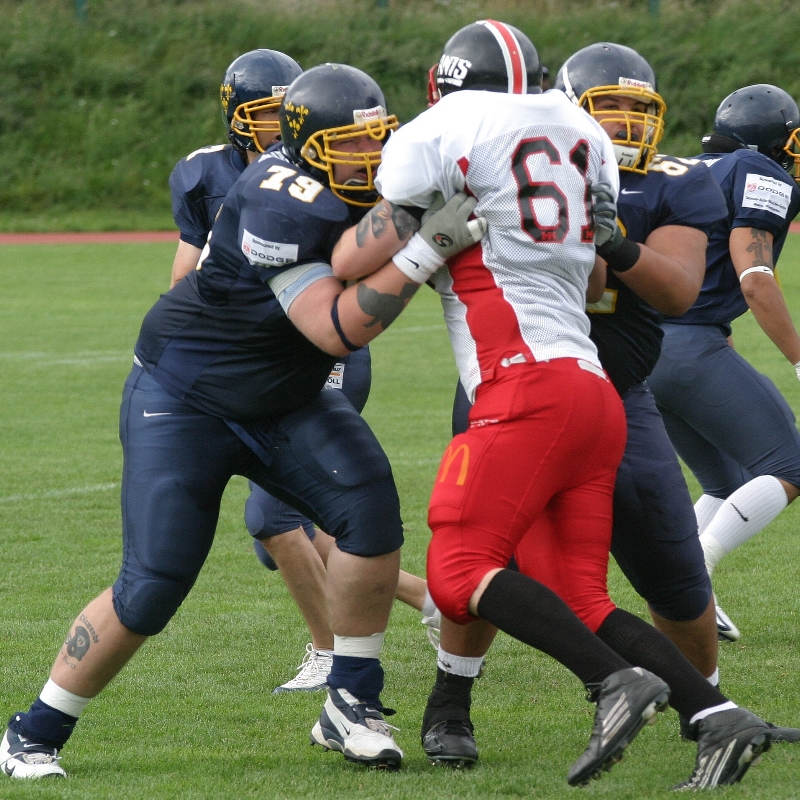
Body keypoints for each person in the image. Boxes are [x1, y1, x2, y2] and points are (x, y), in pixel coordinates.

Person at [332, 19, 773, 790]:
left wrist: (431, 235)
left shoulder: (441, 137)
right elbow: (597, 279)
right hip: (593, 392)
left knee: (456, 570)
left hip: (522, 387)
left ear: (444, 87)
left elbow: (350, 259)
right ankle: (718, 717)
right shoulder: (582, 138)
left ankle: (613, 682)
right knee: (580, 596)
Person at [0, 62, 474, 780]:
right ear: (308, 147)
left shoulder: (370, 178)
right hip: (188, 396)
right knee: (153, 581)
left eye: (375, 137)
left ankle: (351, 700)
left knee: (370, 509)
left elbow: (373, 236)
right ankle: (34, 730)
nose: (369, 154)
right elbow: (335, 331)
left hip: (282, 397)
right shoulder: (276, 198)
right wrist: (428, 244)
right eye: (349, 143)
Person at [169, 49, 434, 693]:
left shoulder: (345, 173)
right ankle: (433, 600)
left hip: (319, 352)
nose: (271, 128)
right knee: (280, 535)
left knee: (273, 520)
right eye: (262, 115)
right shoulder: (207, 174)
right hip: (246, 360)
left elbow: (356, 269)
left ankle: (331, 652)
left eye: (279, 115)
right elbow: (185, 274)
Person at [648, 84, 800, 643]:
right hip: (687, 347)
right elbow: (754, 277)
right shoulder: (758, 170)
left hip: (645, 349)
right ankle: (695, 584)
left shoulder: (687, 167)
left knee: (726, 478)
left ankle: (677, 586)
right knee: (792, 465)